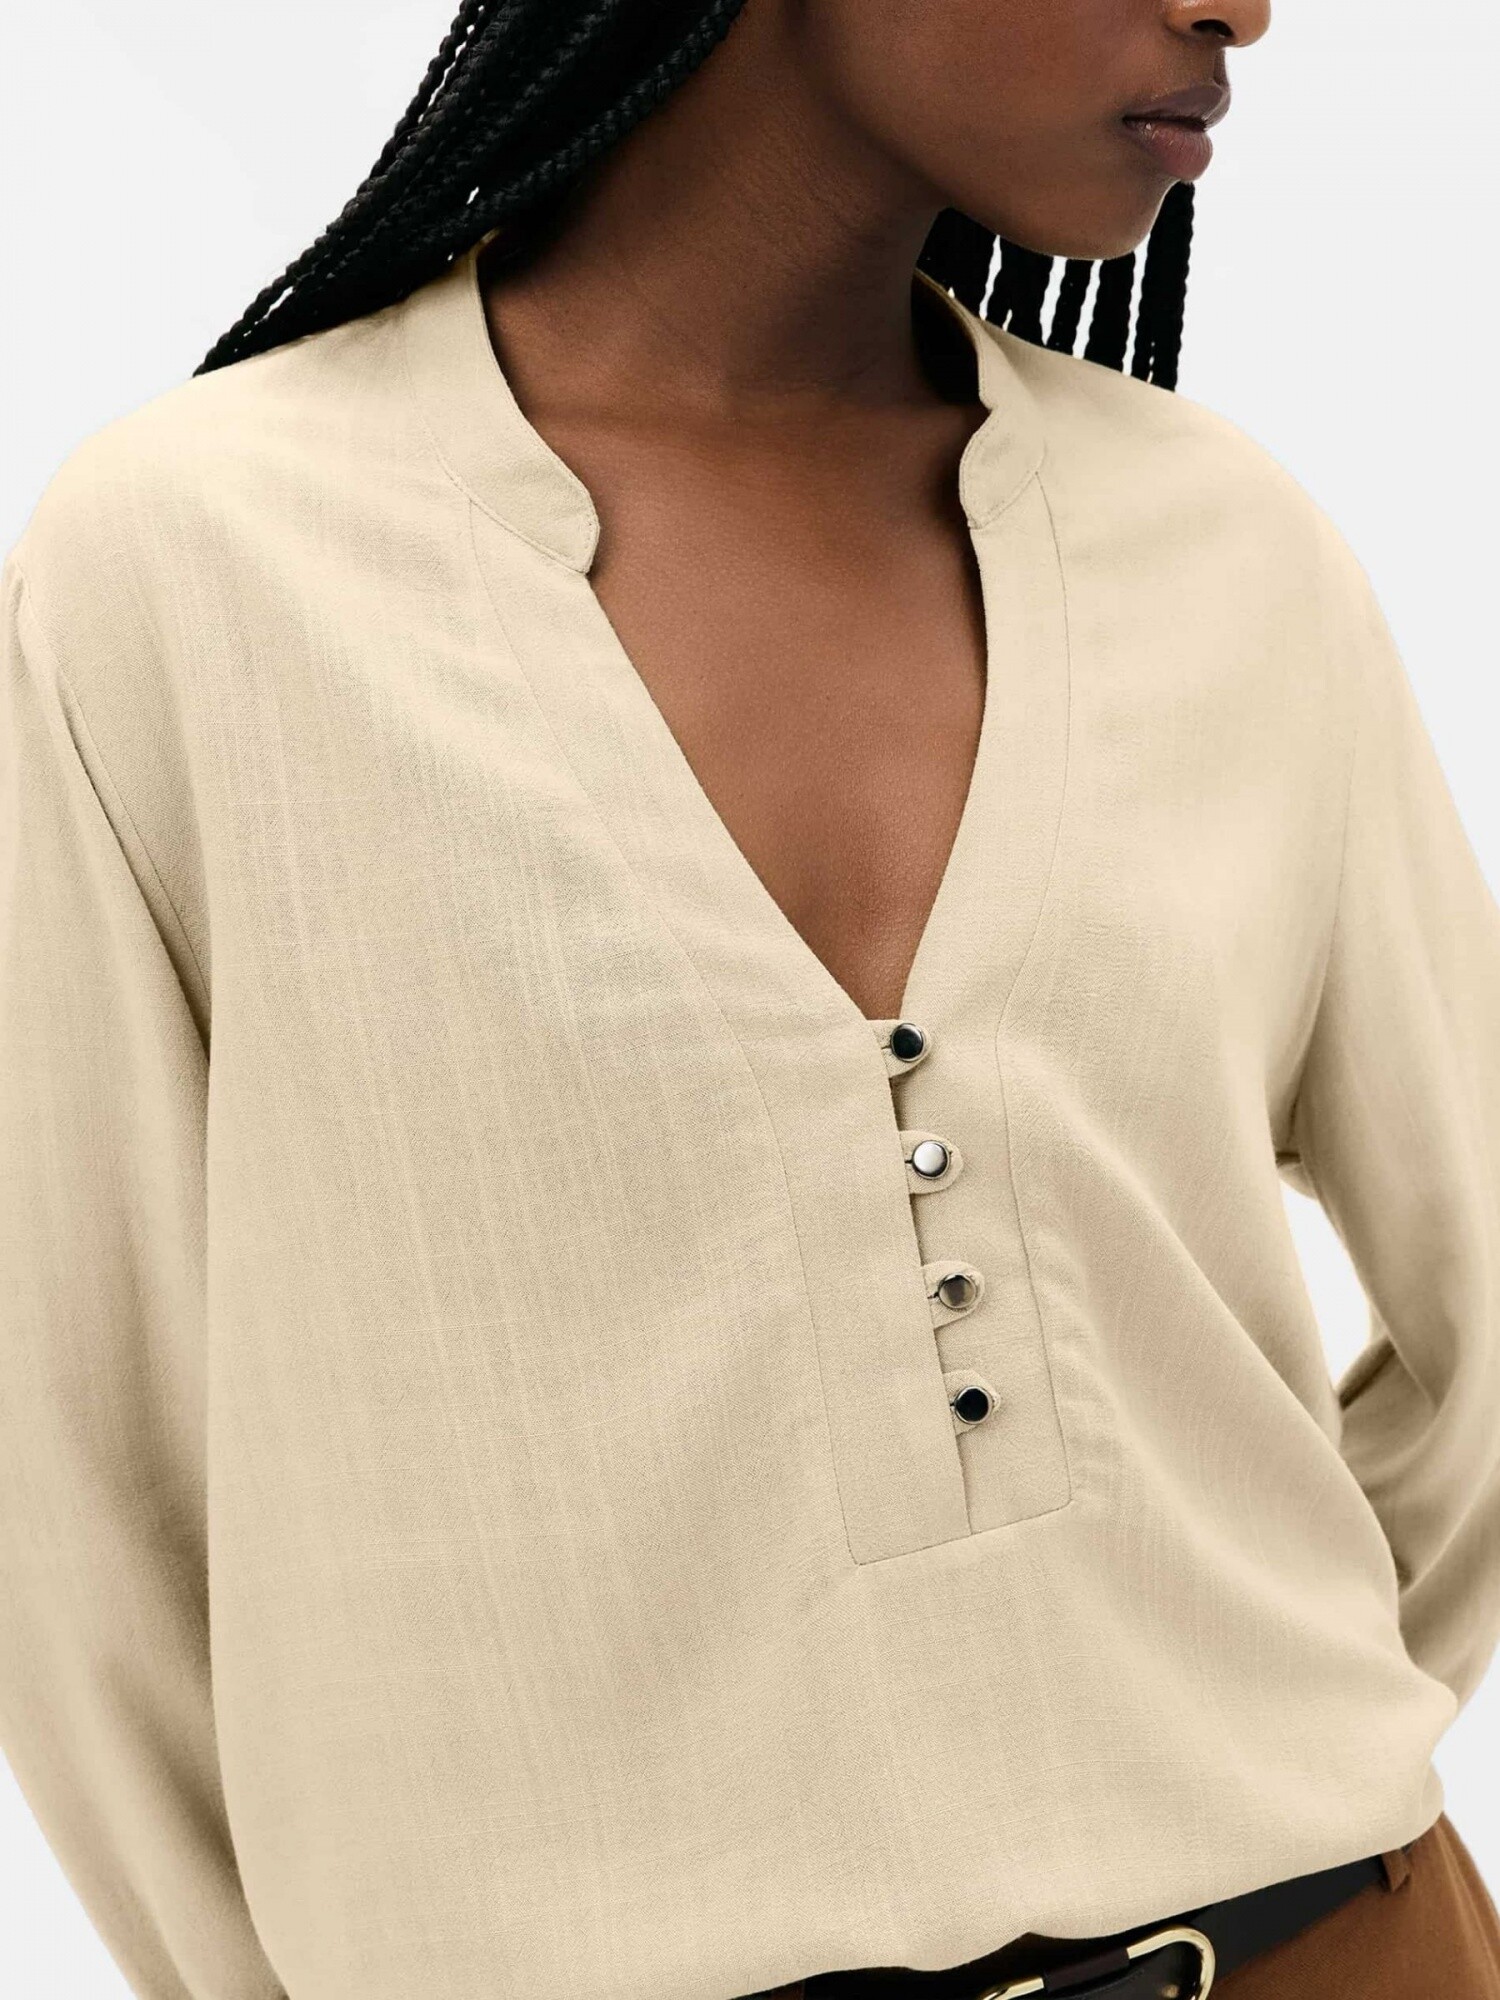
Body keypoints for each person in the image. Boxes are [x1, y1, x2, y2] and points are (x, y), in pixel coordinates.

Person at [2, 2, 1498, 1996]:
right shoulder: (196, 569)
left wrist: (1269, 1723)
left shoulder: (1225, 548)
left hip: (1347, 1943)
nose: (1243, 2)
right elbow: (78, 1510)